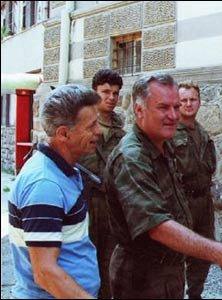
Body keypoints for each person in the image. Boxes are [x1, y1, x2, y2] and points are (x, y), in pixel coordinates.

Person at [104, 73, 222, 299]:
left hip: (169, 270)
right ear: (139, 110)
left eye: (175, 106)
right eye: (163, 108)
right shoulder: (132, 156)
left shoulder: (163, 143)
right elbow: (157, 225)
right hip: (142, 277)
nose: (173, 115)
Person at [8, 85, 101, 299]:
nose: (99, 131)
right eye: (92, 125)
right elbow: (45, 273)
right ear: (63, 133)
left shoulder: (63, 171)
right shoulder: (45, 185)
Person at [78, 68, 124, 299]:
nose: (111, 97)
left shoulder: (121, 131)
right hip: (85, 203)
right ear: (94, 92)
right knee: (83, 262)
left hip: (111, 205)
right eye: (105, 91)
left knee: (110, 263)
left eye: (115, 93)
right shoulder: (81, 125)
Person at [171, 81, 216, 298]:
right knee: (178, 255)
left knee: (204, 253)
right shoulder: (169, 134)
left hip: (204, 204)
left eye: (193, 99)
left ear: (199, 102)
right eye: (184, 100)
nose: (189, 104)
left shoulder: (202, 133)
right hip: (182, 203)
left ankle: (195, 294)